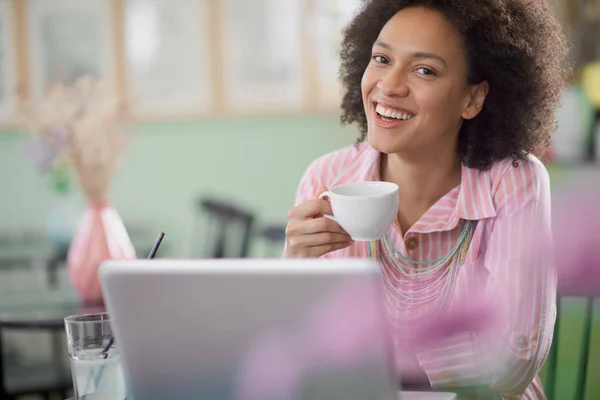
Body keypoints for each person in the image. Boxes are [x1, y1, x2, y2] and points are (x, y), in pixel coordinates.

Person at [284, 0, 568, 398]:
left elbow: (512, 360)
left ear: (473, 99)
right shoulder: (326, 178)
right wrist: (294, 267)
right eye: (381, 58)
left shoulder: (513, 181)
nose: (390, 85)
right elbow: (298, 354)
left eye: (424, 70)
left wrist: (364, 351)